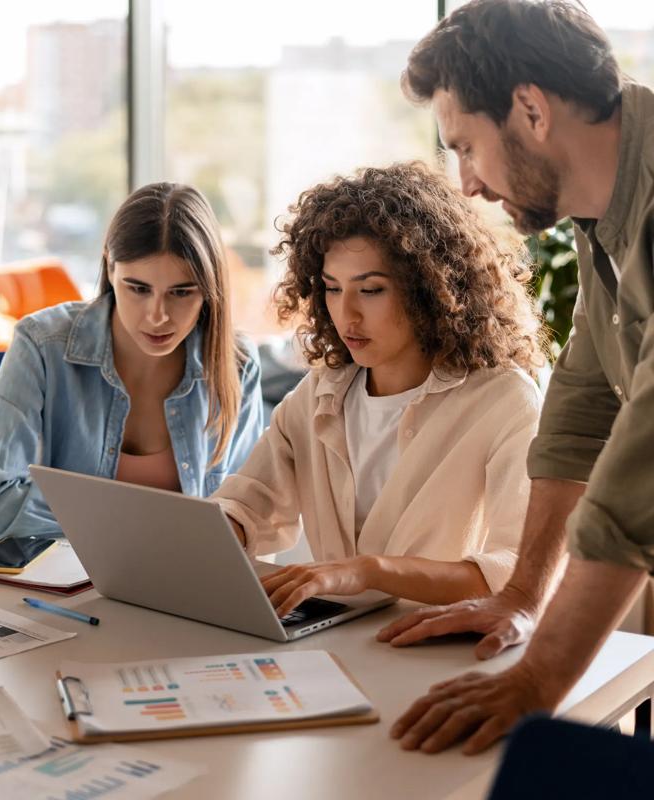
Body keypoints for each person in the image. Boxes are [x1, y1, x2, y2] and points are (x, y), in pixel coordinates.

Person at [384, 0, 654, 755]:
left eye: (466, 147)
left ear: (530, 109)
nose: (465, 184)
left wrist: (534, 685)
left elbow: (639, 482)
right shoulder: (606, 215)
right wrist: (522, 595)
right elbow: (584, 407)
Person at [212, 161, 544, 616]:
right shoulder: (319, 394)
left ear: (429, 289)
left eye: (370, 290)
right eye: (331, 288)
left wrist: (367, 571)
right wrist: (213, 535)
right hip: (333, 646)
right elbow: (248, 504)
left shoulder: (504, 403)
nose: (345, 314)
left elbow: (513, 570)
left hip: (438, 647)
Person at [0, 183, 263, 540]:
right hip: (65, 581)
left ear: (210, 288)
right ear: (109, 265)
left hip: (181, 586)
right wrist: (145, 526)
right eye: (138, 288)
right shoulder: (41, 346)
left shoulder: (237, 363)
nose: (158, 316)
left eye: (181, 292)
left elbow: (246, 514)